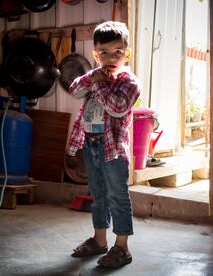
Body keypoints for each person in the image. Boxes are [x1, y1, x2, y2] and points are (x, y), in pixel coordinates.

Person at [66, 21, 141, 268]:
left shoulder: (129, 82)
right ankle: (99, 240)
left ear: (126, 53)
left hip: (113, 149)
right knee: (98, 195)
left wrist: (97, 82)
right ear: (95, 54)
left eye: (117, 52)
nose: (111, 58)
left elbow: (117, 108)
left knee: (117, 196)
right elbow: (74, 90)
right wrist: (93, 76)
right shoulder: (94, 76)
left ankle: (122, 247)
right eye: (104, 53)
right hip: (91, 144)